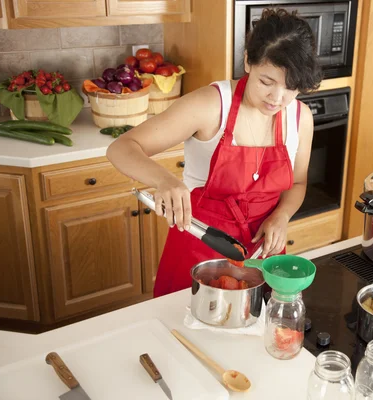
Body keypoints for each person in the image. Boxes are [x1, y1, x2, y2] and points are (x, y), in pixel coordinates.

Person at [107, 8, 322, 297]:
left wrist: (282, 216)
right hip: (200, 252)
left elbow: (297, 183)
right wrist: (164, 180)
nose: (277, 98)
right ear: (247, 61)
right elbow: (121, 147)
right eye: (266, 82)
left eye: (291, 88)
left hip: (265, 255)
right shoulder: (211, 105)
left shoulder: (300, 117)